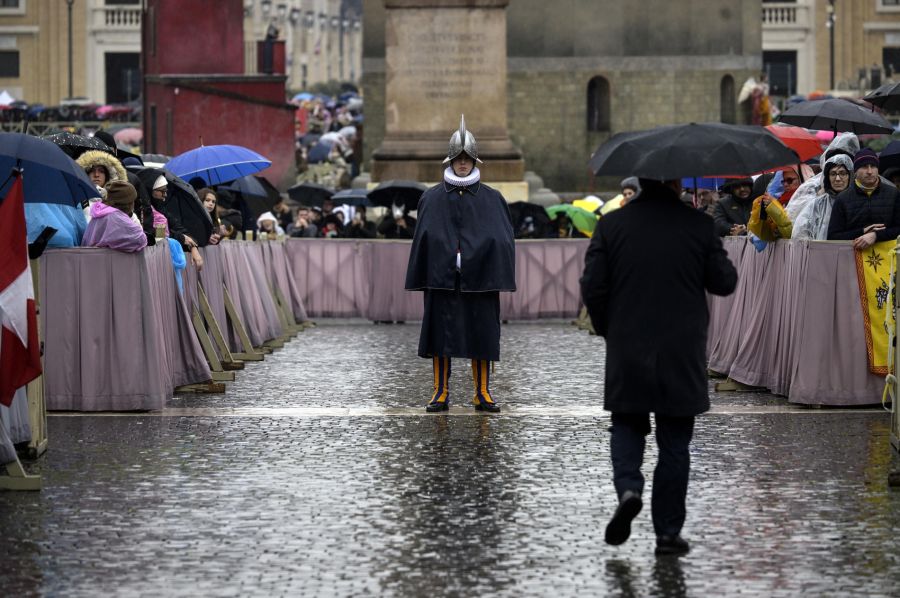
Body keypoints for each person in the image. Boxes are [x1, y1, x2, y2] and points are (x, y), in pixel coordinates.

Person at [580, 177, 737, 556]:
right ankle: (667, 533)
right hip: (681, 349)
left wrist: (608, 328)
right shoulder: (697, 225)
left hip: (628, 344)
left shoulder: (612, 225)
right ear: (674, 182)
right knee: (675, 443)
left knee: (627, 423)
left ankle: (629, 487)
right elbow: (725, 282)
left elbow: (592, 285)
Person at [405, 115, 516, 414]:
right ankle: (440, 391)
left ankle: (483, 392)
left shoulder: (493, 199)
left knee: (483, 336)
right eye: (458, 158)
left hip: (481, 281)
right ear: (450, 160)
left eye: (467, 158)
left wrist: (475, 254)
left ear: (475, 160)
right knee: (441, 335)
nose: (463, 163)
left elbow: (502, 239)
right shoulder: (432, 197)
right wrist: (447, 255)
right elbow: (425, 236)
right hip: (443, 279)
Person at [827, 148, 900, 249]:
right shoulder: (842, 199)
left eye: (873, 166)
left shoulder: (893, 193)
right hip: (853, 260)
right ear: (856, 171)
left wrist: (876, 236)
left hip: (888, 260)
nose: (870, 171)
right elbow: (832, 237)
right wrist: (862, 232)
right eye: (864, 166)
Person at [791, 155, 853, 240]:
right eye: (833, 174)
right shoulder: (817, 204)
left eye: (842, 173)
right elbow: (800, 232)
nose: (838, 179)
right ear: (827, 177)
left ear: (850, 176)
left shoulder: (858, 201)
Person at [81, 180, 148, 253]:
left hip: (91, 259)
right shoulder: (116, 217)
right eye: (132, 201)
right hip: (106, 262)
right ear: (127, 202)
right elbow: (140, 240)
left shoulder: (101, 212)